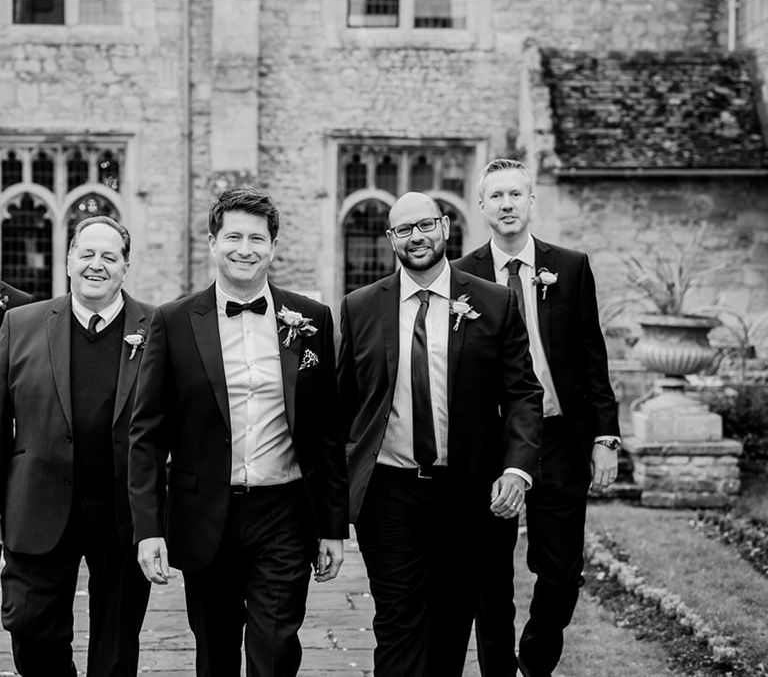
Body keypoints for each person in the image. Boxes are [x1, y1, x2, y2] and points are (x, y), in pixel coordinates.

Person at [128, 187, 348, 677]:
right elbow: (147, 434)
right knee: (216, 651)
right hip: (205, 512)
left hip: (285, 512)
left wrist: (334, 526)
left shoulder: (310, 319)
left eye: (256, 238)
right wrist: (148, 529)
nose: (244, 248)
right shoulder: (173, 320)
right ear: (212, 243)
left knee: (275, 647)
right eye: (232, 237)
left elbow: (326, 430)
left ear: (272, 247)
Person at [337, 191, 543, 677]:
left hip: (468, 493)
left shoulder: (494, 302)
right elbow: (344, 407)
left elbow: (522, 394)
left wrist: (516, 468)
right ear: (391, 239)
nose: (417, 238)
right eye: (404, 230)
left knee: (452, 626)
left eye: (425, 225)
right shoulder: (360, 307)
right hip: (389, 494)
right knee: (398, 623)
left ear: (446, 227)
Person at [454, 158, 621, 677]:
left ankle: (536, 660)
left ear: (531, 202)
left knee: (562, 572)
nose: (506, 204)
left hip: (560, 439)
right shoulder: (459, 275)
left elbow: (593, 357)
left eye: (515, 195)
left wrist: (605, 436)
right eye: (496, 196)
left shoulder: (569, 266)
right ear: (481, 207)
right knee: (489, 576)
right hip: (490, 445)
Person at [0, 216, 155, 677]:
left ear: (125, 267)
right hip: (38, 501)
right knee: (29, 626)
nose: (96, 265)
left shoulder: (158, 327)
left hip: (122, 509)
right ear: (68, 259)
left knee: (115, 648)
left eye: (109, 257)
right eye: (87, 253)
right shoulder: (19, 324)